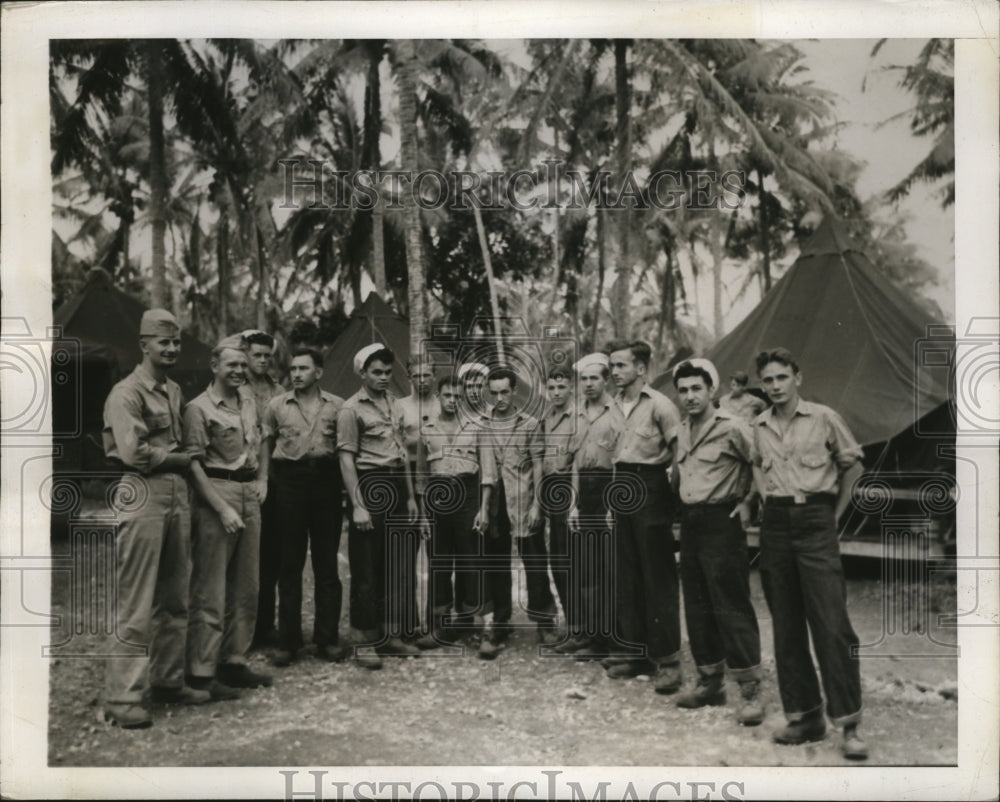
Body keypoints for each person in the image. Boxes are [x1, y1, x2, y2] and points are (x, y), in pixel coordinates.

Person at [751, 347, 868, 760]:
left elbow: (853, 466)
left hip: (817, 519)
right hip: (776, 525)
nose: (775, 386)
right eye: (768, 380)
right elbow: (753, 465)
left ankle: (849, 725)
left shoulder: (824, 417)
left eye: (782, 377)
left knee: (832, 624)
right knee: (786, 625)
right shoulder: (759, 425)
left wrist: (833, 518)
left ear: (797, 378)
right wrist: (765, 499)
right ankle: (805, 717)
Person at [100, 309, 208, 729]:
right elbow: (134, 454)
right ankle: (122, 696)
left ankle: (166, 681)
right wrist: (179, 458)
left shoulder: (174, 389)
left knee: (175, 597)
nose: (172, 348)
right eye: (163, 342)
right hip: (142, 490)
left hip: (176, 493)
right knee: (137, 599)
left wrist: (180, 465)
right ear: (143, 345)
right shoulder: (125, 393)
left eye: (176, 342)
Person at [670, 359, 763, 726]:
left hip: (723, 522)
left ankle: (751, 692)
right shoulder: (681, 430)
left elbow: (762, 463)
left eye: (697, 389)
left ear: (712, 391)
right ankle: (710, 682)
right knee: (696, 603)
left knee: (731, 605)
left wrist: (747, 503)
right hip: (691, 523)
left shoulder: (734, 428)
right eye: (683, 390)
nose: (690, 396)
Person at [183, 334, 273, 698]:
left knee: (247, 585)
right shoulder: (198, 408)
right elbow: (192, 464)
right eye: (231, 364)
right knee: (210, 586)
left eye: (242, 364)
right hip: (215, 495)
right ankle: (202, 672)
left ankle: (233, 661)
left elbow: (264, 439)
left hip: (249, 492)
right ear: (215, 366)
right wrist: (220, 508)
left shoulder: (249, 400)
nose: (238, 370)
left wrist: (263, 478)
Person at [604, 340, 684, 693]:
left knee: (658, 577)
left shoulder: (661, 406)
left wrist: (668, 496)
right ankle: (635, 652)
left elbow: (679, 455)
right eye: (613, 366)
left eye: (621, 365)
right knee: (627, 574)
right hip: (622, 487)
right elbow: (616, 457)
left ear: (640, 368)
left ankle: (668, 660)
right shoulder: (613, 406)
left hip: (651, 488)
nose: (615, 372)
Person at [338, 343, 421, 670]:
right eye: (376, 372)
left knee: (395, 563)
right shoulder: (351, 409)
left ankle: (390, 636)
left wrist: (411, 497)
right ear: (362, 373)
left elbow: (403, 456)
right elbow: (346, 460)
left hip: (397, 487)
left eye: (388, 372)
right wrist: (357, 505)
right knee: (366, 568)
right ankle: (364, 640)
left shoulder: (395, 406)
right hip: (368, 485)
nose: (383, 377)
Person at [263, 347, 347, 668]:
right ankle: (288, 641)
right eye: (293, 369)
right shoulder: (276, 406)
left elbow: (344, 451)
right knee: (289, 564)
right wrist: (272, 484)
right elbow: (266, 448)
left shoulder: (338, 407)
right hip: (289, 485)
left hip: (326, 483)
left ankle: (327, 639)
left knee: (327, 564)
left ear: (319, 373)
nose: (296, 374)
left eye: (303, 368)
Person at [477, 366, 559, 659]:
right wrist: (484, 509)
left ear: (513, 392)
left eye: (504, 391)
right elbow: (486, 469)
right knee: (496, 565)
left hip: (524, 502)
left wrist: (539, 504)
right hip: (496, 503)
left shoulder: (530, 424)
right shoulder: (482, 424)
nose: (499, 398)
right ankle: (499, 623)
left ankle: (545, 622)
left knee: (535, 564)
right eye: (494, 392)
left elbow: (538, 466)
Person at [414, 375, 494, 648]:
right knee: (439, 563)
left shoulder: (477, 427)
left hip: (468, 495)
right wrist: (424, 516)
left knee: (471, 563)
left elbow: (488, 472)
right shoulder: (428, 429)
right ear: (438, 396)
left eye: (457, 396)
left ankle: (475, 627)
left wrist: (483, 509)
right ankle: (442, 627)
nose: (452, 401)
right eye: (447, 395)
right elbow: (422, 477)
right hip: (437, 500)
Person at [565, 352, 624, 661]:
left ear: (605, 380)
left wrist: (613, 505)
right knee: (586, 568)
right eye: (584, 379)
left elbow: (618, 462)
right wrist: (573, 504)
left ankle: (609, 637)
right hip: (583, 492)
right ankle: (590, 635)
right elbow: (575, 462)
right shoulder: (576, 415)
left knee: (608, 569)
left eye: (594, 378)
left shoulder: (618, 412)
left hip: (607, 492)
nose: (588, 384)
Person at [242, 330, 285, 649]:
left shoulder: (278, 391)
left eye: (266, 355)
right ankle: (239, 630)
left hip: (270, 479)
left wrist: (267, 478)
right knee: (241, 559)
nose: (262, 360)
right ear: (245, 354)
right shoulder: (233, 385)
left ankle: (265, 625)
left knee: (270, 556)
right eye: (256, 354)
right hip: (239, 478)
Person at [395, 356, 441, 639]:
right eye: (416, 375)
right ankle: (407, 621)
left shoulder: (444, 404)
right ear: (409, 377)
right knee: (406, 555)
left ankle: (438, 621)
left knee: (439, 553)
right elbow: (398, 448)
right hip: (408, 477)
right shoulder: (400, 406)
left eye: (427, 374)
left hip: (440, 477)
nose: (422, 380)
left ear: (434, 376)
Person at [538, 365, 577, 651]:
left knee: (574, 559)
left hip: (571, 489)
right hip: (551, 489)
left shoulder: (579, 416)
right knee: (558, 559)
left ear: (570, 387)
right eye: (551, 388)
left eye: (561, 387)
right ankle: (572, 623)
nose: (556, 393)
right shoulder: (547, 417)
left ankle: (581, 626)